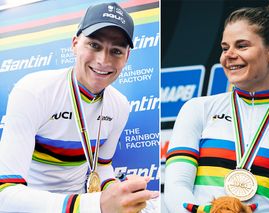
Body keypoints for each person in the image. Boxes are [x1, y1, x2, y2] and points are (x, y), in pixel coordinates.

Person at [0, 2, 158, 212]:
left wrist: (120, 193)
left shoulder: (120, 105)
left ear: (127, 57)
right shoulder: (33, 90)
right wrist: (95, 205)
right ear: (74, 44)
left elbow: (101, 166)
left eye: (116, 51)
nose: (103, 60)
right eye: (94, 45)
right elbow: (5, 194)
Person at [164, 1, 269, 213]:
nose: (229, 55)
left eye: (242, 45)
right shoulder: (197, 109)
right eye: (225, 47)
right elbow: (176, 188)